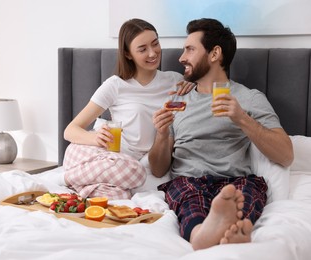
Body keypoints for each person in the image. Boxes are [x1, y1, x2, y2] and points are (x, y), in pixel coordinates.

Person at [148, 18, 294, 250]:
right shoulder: (177, 99)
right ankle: (209, 233)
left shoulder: (249, 98)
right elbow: (157, 169)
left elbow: (286, 155)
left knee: (245, 194)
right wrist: (162, 134)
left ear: (214, 53)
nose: (181, 57)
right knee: (189, 201)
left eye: (190, 49)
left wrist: (242, 119)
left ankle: (217, 230)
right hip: (189, 180)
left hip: (236, 180)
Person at [61, 18, 194, 199]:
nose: (152, 53)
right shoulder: (115, 85)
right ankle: (68, 177)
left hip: (133, 163)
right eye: (142, 49)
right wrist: (94, 137)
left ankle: (81, 185)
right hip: (104, 153)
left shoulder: (174, 81)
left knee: (122, 192)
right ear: (128, 54)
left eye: (155, 44)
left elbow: (199, 100)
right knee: (131, 173)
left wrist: (190, 87)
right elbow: (70, 131)